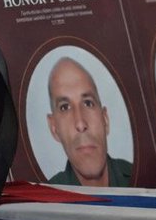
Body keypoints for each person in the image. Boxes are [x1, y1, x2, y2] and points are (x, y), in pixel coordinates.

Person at [45, 57, 133, 187]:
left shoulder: (145, 180)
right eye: (65, 107)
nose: (80, 124)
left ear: (105, 119)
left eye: (88, 103)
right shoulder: (44, 202)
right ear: (54, 128)